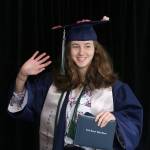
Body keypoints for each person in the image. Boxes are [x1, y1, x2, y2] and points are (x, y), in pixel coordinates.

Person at [8, 17, 143, 150]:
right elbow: (23, 104)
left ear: (95, 50)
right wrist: (22, 76)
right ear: (68, 50)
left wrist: (115, 118)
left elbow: (132, 117)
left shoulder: (114, 88)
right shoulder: (51, 83)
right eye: (75, 46)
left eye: (87, 46)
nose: (81, 52)